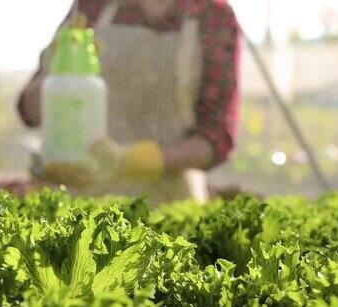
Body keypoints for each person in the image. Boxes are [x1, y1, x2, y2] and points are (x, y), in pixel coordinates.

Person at [17, 0, 241, 204]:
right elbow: (29, 112)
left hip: (165, 211)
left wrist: (132, 161)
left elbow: (216, 139)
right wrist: (55, 72)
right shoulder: (92, 6)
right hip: (78, 202)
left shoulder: (212, 15)